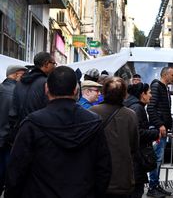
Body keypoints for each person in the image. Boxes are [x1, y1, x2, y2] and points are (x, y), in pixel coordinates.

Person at [5, 66, 111, 198]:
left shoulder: (32, 123)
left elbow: (16, 169)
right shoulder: (94, 122)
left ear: (46, 89)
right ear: (75, 90)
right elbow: (104, 168)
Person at [90, 77, 139, 198]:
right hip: (122, 177)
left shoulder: (92, 112)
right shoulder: (131, 115)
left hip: (97, 175)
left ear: (104, 92)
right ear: (124, 94)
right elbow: (134, 146)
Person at [123, 83, 160, 198]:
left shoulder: (134, 106)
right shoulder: (137, 108)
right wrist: (155, 133)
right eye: (149, 93)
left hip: (133, 157)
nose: (151, 96)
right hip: (136, 157)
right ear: (142, 94)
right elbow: (138, 132)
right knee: (136, 191)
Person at [11, 52, 56, 142]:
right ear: (46, 64)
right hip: (38, 136)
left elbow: (13, 111)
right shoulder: (47, 84)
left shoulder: (20, 82)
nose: (55, 67)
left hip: (19, 134)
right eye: (54, 63)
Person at [147, 67, 173, 197]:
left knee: (159, 159)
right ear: (165, 74)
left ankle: (155, 185)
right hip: (157, 130)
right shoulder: (156, 87)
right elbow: (151, 108)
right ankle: (152, 187)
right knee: (156, 159)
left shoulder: (164, 88)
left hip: (161, 129)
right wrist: (160, 125)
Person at [0, 65, 27, 195]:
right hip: (8, 140)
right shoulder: (15, 92)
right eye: (23, 75)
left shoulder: (2, 88)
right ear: (16, 74)